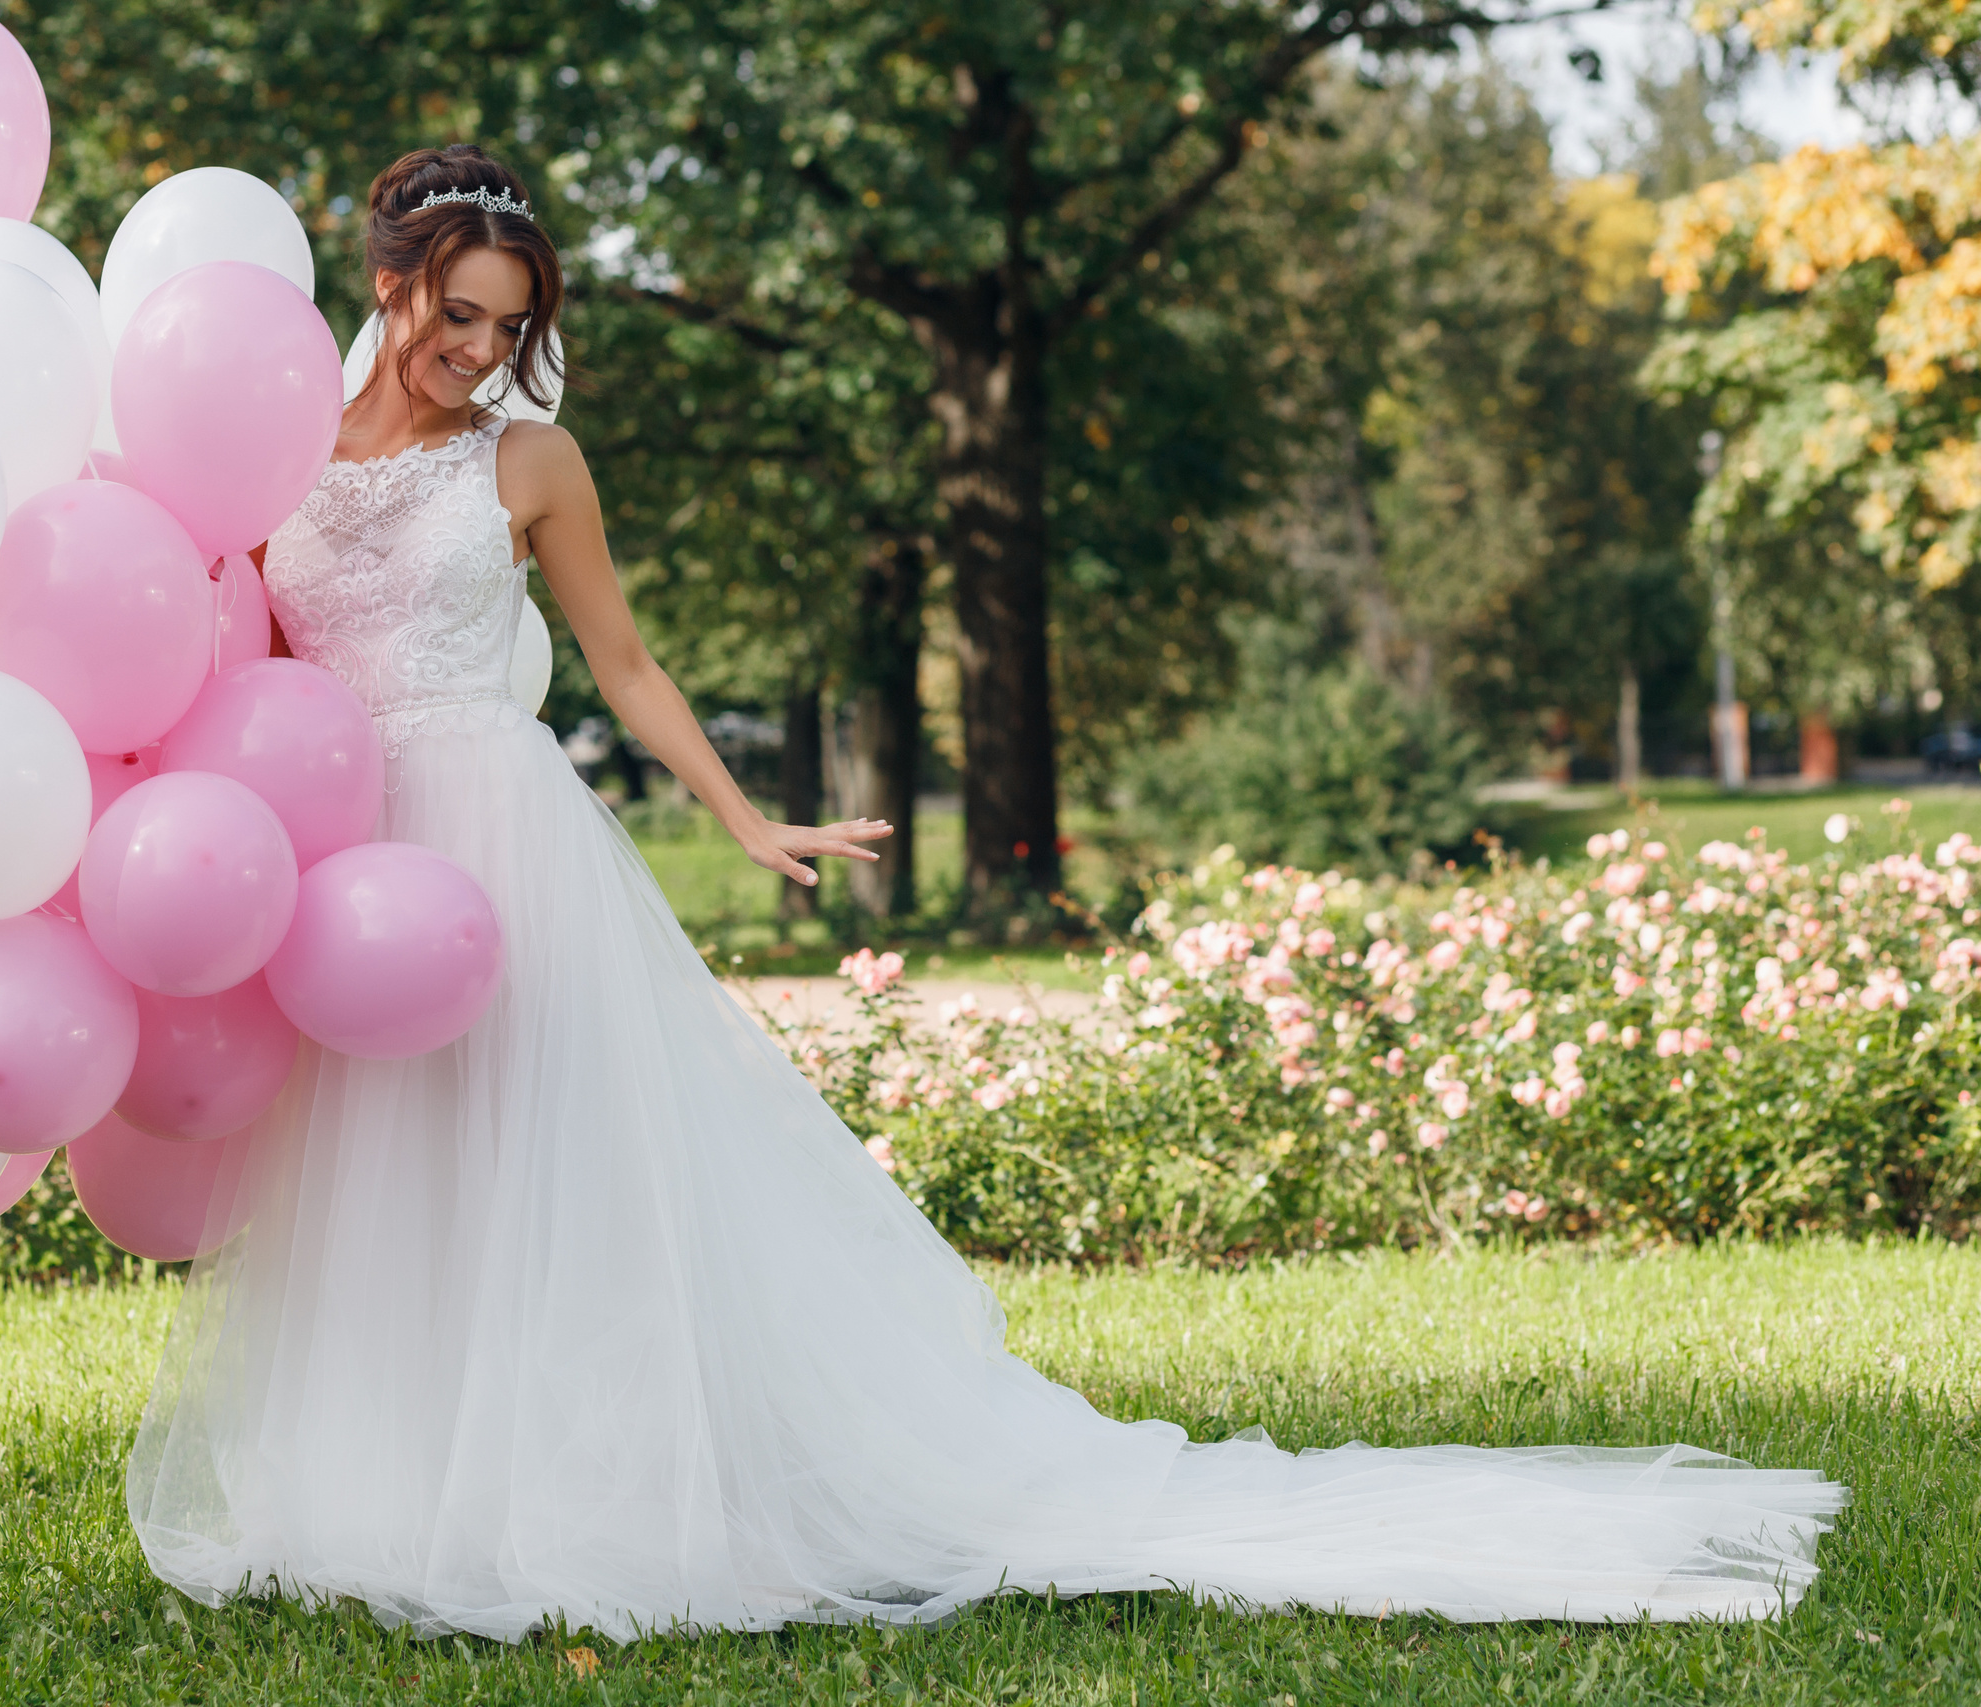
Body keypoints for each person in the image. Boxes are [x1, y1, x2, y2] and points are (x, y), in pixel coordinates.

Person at [126, 144, 1844, 1642]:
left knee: (527, 1173)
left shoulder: (529, 465)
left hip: (499, 842)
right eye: (458, 315)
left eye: (508, 326)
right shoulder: (277, 455)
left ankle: (565, 1494)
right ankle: (376, 1491)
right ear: (390, 283)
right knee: (378, 1183)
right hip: (342, 864)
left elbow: (628, 667)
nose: (480, 351)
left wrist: (747, 818)